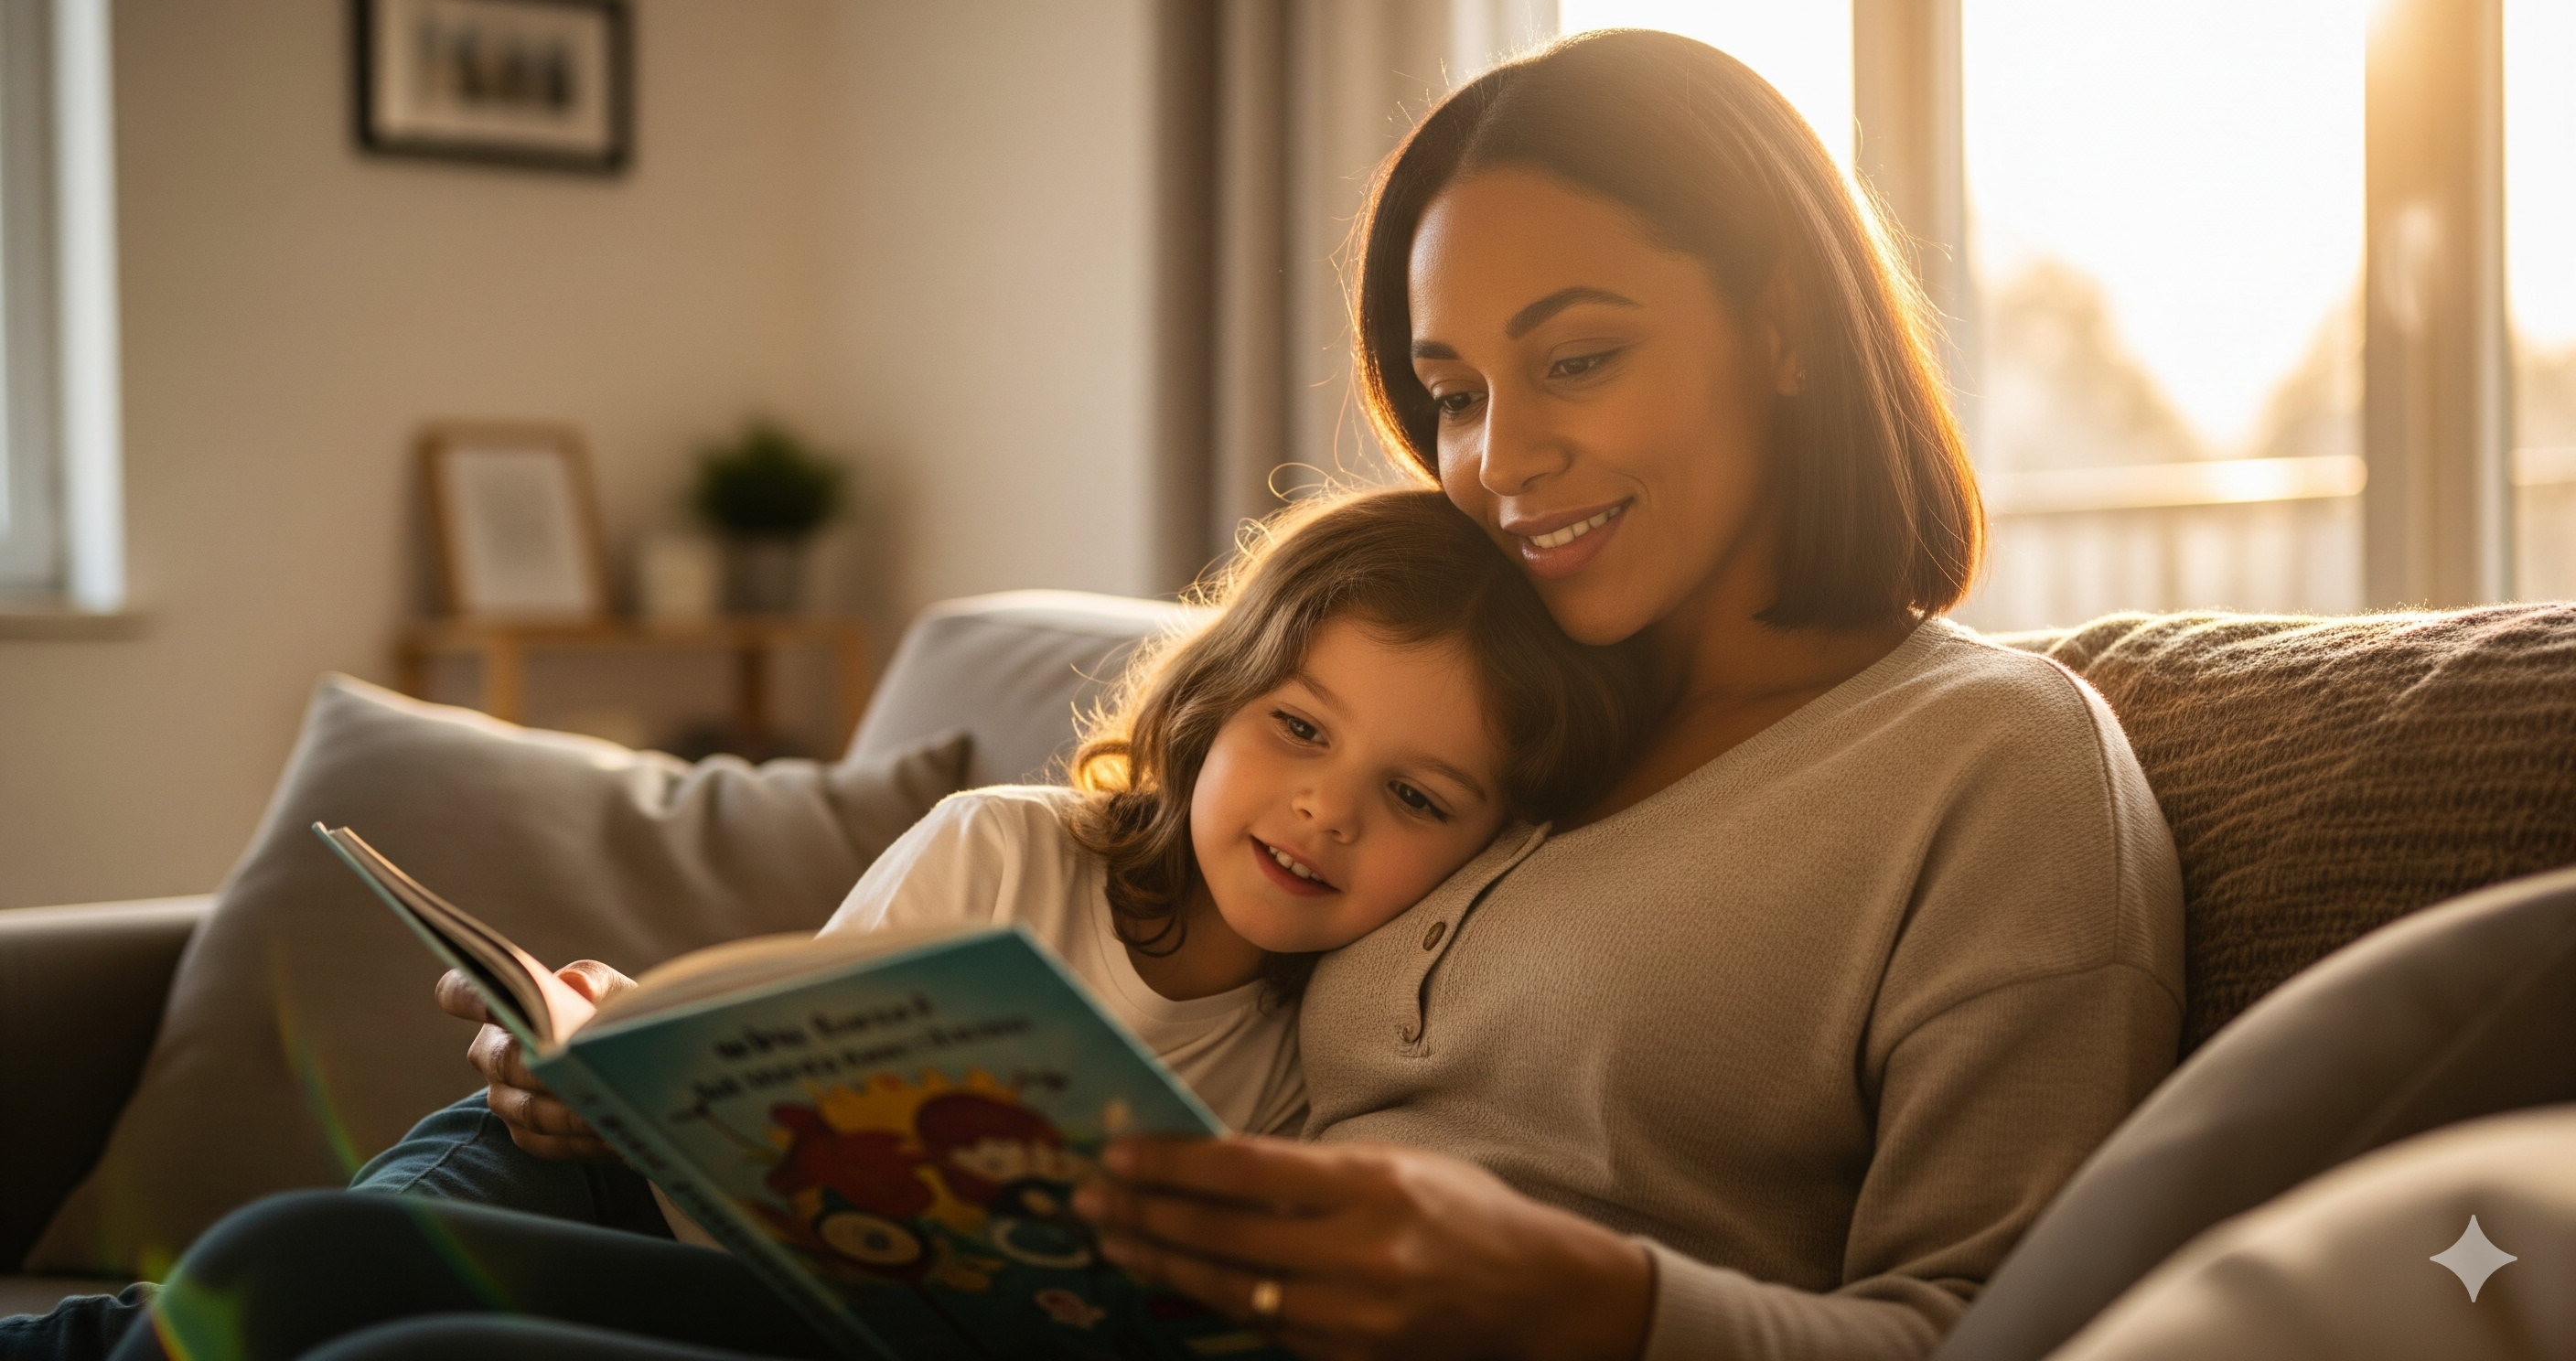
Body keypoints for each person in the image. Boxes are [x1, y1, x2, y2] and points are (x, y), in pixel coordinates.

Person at [7, 27, 2184, 1361]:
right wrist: (696, 1070)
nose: (1499, 457)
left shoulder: (1991, 766)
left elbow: (2025, 1326)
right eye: (1447, 389)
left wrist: (1585, 1308)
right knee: (317, 1277)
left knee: (343, 1328)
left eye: (1580, 356)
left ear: (1790, 327)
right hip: (1053, 1316)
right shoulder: (1536, 716)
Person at [0, 487, 1650, 1361]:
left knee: (306, 1277)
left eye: (1419, 800)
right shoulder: (1010, 853)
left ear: (1485, 853)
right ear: (1213, 709)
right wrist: (611, 1055)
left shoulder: (1327, 1061)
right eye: (1299, 729)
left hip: (811, 1317)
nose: (1328, 811)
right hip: (605, 1187)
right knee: (260, 1274)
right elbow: (773, 1066)